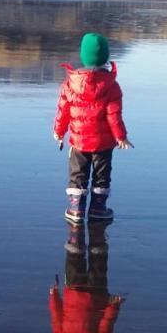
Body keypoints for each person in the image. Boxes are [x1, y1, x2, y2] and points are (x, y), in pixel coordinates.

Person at [53, 33, 133, 223]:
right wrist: (121, 137)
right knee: (101, 176)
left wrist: (58, 132)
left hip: (78, 142)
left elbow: (62, 111)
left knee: (77, 175)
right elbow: (114, 116)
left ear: (83, 56)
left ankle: (76, 210)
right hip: (103, 144)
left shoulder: (70, 85)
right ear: (106, 58)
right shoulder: (112, 86)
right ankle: (98, 208)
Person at [50, 222, 123, 333]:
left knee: (99, 264)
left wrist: (113, 306)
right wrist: (53, 295)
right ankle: (75, 235)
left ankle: (98, 237)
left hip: (97, 296)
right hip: (73, 294)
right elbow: (56, 319)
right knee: (74, 260)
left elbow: (105, 326)